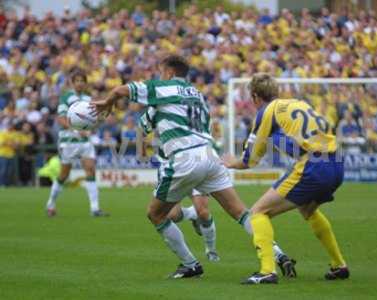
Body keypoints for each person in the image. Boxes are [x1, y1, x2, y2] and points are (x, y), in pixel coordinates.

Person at [90, 55, 295, 279]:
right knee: (241, 212)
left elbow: (123, 91)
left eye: (161, 72)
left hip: (184, 159)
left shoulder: (164, 89)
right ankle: (278, 254)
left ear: (168, 73)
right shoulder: (198, 96)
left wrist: (107, 102)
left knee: (156, 214)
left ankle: (191, 264)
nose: (160, 76)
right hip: (210, 155)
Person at [223, 73, 349, 284]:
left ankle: (267, 271)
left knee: (257, 212)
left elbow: (250, 160)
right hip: (337, 161)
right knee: (307, 209)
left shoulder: (267, 111)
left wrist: (230, 163)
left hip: (313, 164)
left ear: (255, 97)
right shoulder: (297, 103)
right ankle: (339, 265)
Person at [45, 69, 109, 217]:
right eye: (77, 80)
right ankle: (51, 203)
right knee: (63, 175)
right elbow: (60, 119)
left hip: (85, 141)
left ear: (85, 83)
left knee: (91, 170)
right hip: (69, 141)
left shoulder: (88, 99)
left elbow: (92, 121)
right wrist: (76, 130)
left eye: (82, 80)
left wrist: (100, 119)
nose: (80, 83)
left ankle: (95, 209)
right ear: (72, 83)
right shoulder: (66, 97)